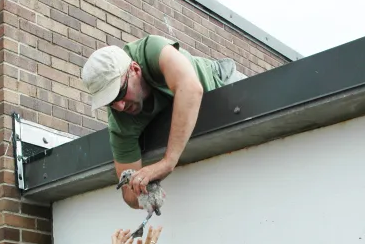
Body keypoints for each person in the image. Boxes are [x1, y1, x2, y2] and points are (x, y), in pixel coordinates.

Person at [81, 35, 246, 209]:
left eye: (120, 94)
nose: (120, 106)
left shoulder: (151, 50)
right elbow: (129, 196)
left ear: (135, 69)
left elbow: (190, 88)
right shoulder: (121, 123)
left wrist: (167, 163)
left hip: (224, 87)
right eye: (110, 102)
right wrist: (145, 190)